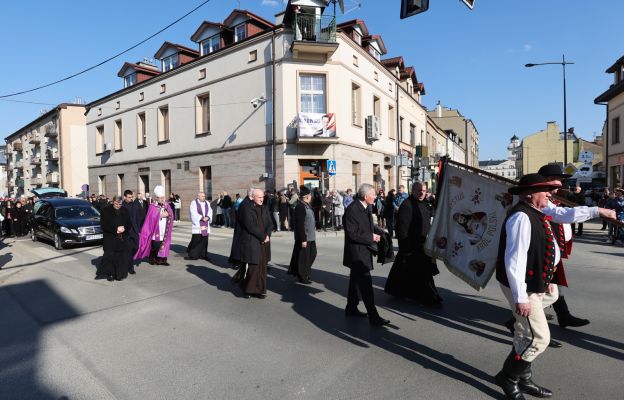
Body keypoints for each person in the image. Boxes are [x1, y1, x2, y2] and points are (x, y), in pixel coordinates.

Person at [494, 174, 564, 400]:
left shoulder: (535, 212)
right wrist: (520, 297)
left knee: (524, 333)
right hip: (523, 287)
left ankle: (522, 377)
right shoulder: (521, 217)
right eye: (544, 190)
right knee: (539, 338)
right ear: (530, 194)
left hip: (531, 284)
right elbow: (514, 260)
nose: (548, 194)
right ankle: (508, 377)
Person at [385, 182, 442, 305]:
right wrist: (405, 248)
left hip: (423, 244)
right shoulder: (407, 205)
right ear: (413, 191)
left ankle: (399, 291)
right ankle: (429, 297)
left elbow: (430, 218)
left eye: (424, 190)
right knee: (421, 274)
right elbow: (402, 229)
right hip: (411, 246)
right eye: (419, 190)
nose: (422, 192)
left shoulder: (425, 203)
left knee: (404, 271)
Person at [343, 183, 390, 327]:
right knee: (366, 285)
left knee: (354, 281)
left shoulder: (367, 207)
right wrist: (371, 237)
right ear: (365, 196)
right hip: (357, 253)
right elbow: (352, 234)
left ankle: (351, 308)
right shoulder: (352, 210)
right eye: (373, 195)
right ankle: (373, 317)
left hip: (364, 250)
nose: (375, 197)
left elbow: (367, 225)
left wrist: (379, 230)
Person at [231, 188, 274, 298]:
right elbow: (250, 226)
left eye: (262, 197)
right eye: (259, 197)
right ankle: (249, 290)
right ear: (253, 197)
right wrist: (263, 236)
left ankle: (260, 290)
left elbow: (270, 223)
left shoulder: (264, 208)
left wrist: (268, 235)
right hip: (252, 241)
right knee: (253, 267)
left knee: (262, 268)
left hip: (264, 242)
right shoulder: (247, 208)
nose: (261, 199)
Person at [134, 185, 174, 266]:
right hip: (156, 229)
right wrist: (160, 215)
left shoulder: (167, 205)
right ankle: (153, 258)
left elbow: (171, 214)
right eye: (161, 198)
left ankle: (162, 260)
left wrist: (169, 214)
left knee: (164, 244)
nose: (163, 199)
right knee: (156, 245)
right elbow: (150, 217)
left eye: (163, 197)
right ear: (157, 198)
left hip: (165, 229)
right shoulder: (152, 206)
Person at [97, 196, 132, 281]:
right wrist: (116, 229)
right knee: (110, 257)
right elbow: (104, 225)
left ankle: (119, 275)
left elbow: (129, 223)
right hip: (110, 238)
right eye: (116, 204)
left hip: (122, 238)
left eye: (120, 204)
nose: (118, 206)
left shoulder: (125, 210)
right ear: (113, 202)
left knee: (121, 257)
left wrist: (124, 228)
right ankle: (110, 274)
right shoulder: (106, 210)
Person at [288, 186, 317, 284]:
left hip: (311, 236)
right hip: (305, 237)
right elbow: (300, 224)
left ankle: (302, 272)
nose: (311, 197)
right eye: (310, 195)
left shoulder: (307, 205)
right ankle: (303, 276)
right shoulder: (300, 207)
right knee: (304, 258)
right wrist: (303, 239)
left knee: (312, 254)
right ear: (307, 196)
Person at [186, 192, 213, 261]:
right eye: (202, 196)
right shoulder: (194, 203)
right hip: (198, 225)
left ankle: (204, 255)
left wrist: (208, 217)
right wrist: (201, 218)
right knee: (196, 240)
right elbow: (193, 212)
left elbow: (210, 211)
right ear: (198, 197)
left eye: (204, 196)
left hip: (205, 224)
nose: (204, 197)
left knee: (204, 240)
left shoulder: (207, 203)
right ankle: (193, 255)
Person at [122, 190, 140, 274]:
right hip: (126, 232)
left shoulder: (135, 204)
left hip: (135, 230)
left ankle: (127, 260)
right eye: (129, 197)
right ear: (124, 197)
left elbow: (139, 217)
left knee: (136, 247)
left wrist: (140, 229)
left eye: (131, 197)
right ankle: (130, 267)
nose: (131, 198)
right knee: (129, 249)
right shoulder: (121, 205)